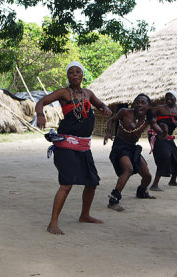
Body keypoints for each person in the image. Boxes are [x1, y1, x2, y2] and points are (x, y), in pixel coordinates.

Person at [36, 61, 112, 235]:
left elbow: (101, 105)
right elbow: (41, 101)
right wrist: (40, 115)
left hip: (84, 144)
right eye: (71, 72)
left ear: (83, 75)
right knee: (67, 184)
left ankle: (85, 215)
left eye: (78, 71)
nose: (75, 74)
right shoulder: (64, 92)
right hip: (66, 143)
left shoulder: (88, 93)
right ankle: (53, 223)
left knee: (92, 182)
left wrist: (105, 108)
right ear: (67, 76)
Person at [104, 94, 167, 212]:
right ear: (133, 104)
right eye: (137, 102)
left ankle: (141, 192)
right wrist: (108, 132)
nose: (140, 105)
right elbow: (111, 120)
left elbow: (160, 133)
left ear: (148, 106)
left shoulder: (149, 118)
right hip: (120, 146)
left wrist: (164, 131)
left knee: (147, 176)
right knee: (128, 169)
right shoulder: (125, 112)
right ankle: (113, 200)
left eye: (143, 103)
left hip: (132, 148)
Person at [148, 90, 177, 191]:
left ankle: (173, 180)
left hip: (168, 136)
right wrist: (156, 126)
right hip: (157, 134)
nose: (168, 98)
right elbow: (149, 115)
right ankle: (154, 185)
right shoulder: (160, 108)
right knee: (164, 156)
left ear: (176, 98)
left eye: (171, 96)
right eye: (166, 97)